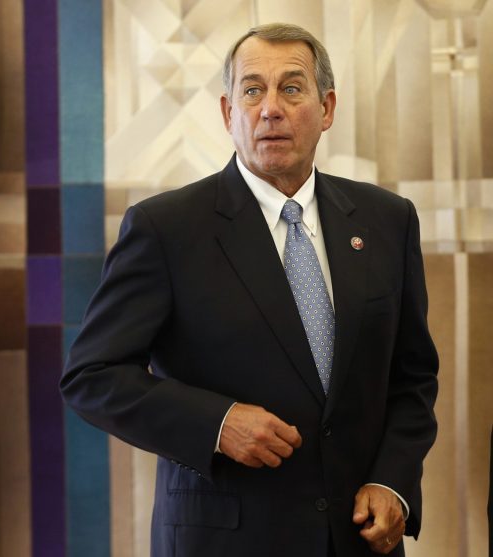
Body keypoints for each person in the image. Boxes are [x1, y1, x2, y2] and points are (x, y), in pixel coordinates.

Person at [61, 22, 438, 557]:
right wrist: (216, 424)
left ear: (326, 109)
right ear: (227, 112)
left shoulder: (387, 220)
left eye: (291, 87)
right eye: (252, 90)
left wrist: (393, 480)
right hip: (224, 540)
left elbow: (413, 376)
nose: (270, 109)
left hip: (358, 541)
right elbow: (90, 376)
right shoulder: (166, 229)